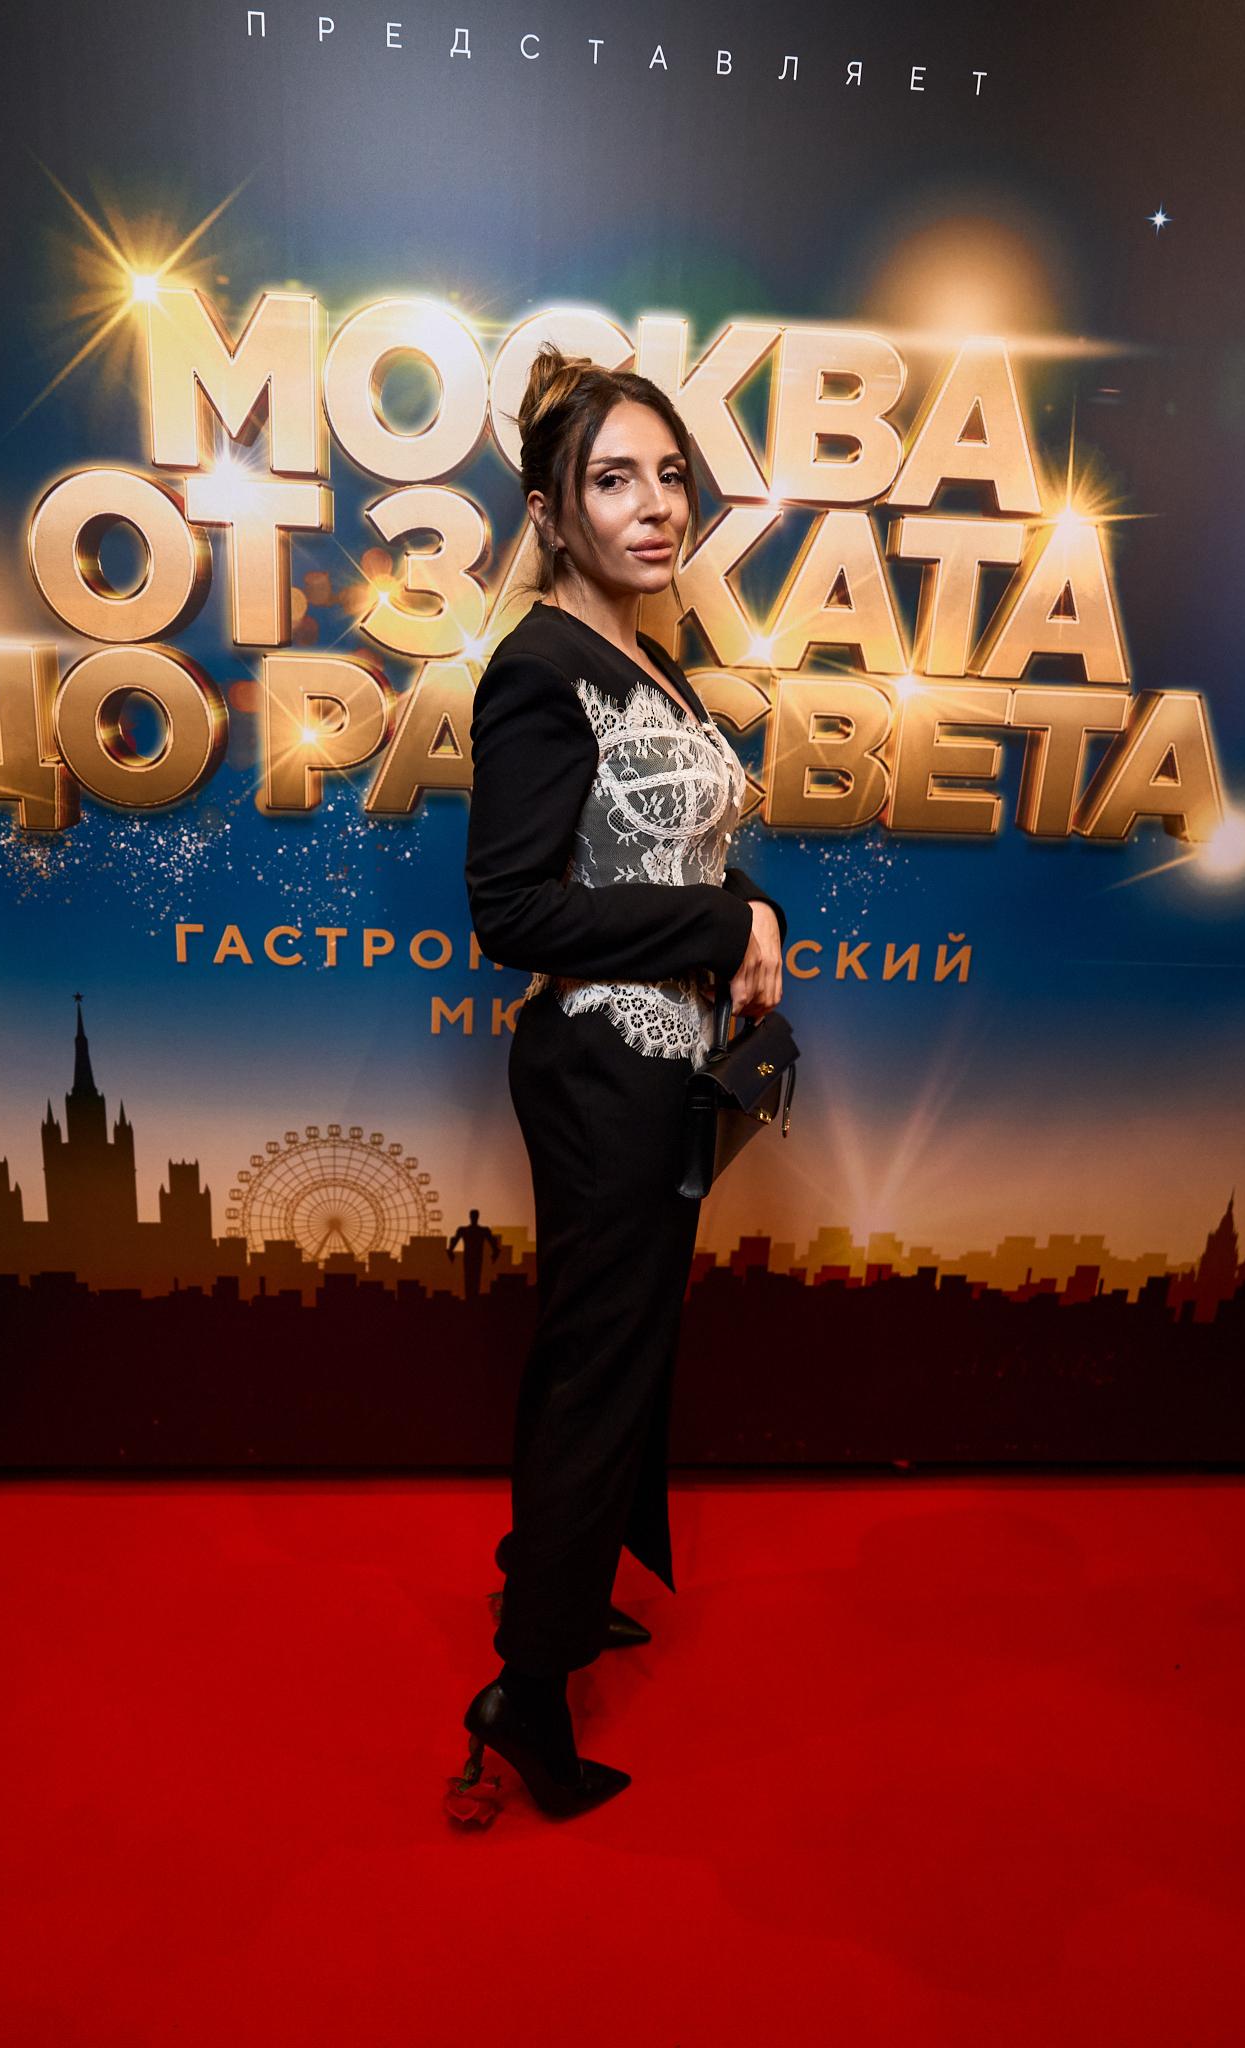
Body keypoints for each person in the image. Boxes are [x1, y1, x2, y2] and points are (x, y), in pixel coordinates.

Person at [454, 343, 786, 1820]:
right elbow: (514, 911)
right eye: (612, 481)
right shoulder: (538, 670)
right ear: (549, 512)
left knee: (615, 1355)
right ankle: (526, 1694)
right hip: (603, 1076)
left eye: (669, 476)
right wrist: (719, 926)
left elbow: (672, 850)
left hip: (664, 1070)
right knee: (600, 1367)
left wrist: (746, 906)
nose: (654, 506)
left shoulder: (650, 656)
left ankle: (563, 1585)